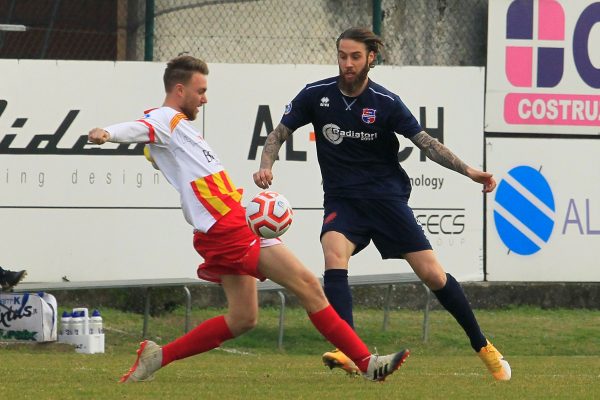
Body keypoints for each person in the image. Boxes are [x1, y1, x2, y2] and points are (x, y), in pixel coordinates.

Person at [88, 55, 409, 383]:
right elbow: (139, 128)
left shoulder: (177, 129)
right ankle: (368, 363)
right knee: (309, 285)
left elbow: (164, 149)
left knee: (243, 318)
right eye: (200, 91)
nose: (205, 99)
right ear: (179, 89)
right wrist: (107, 133)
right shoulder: (164, 118)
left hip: (227, 223)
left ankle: (158, 357)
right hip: (227, 226)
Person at [253, 27, 511, 381]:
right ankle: (350, 350)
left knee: (433, 275)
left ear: (370, 58)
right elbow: (278, 132)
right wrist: (267, 165)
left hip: (386, 199)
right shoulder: (316, 95)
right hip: (343, 200)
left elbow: (427, 144)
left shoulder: (385, 102)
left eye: (355, 57)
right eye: (342, 56)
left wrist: (469, 171)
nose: (347, 63)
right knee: (333, 254)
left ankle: (483, 346)